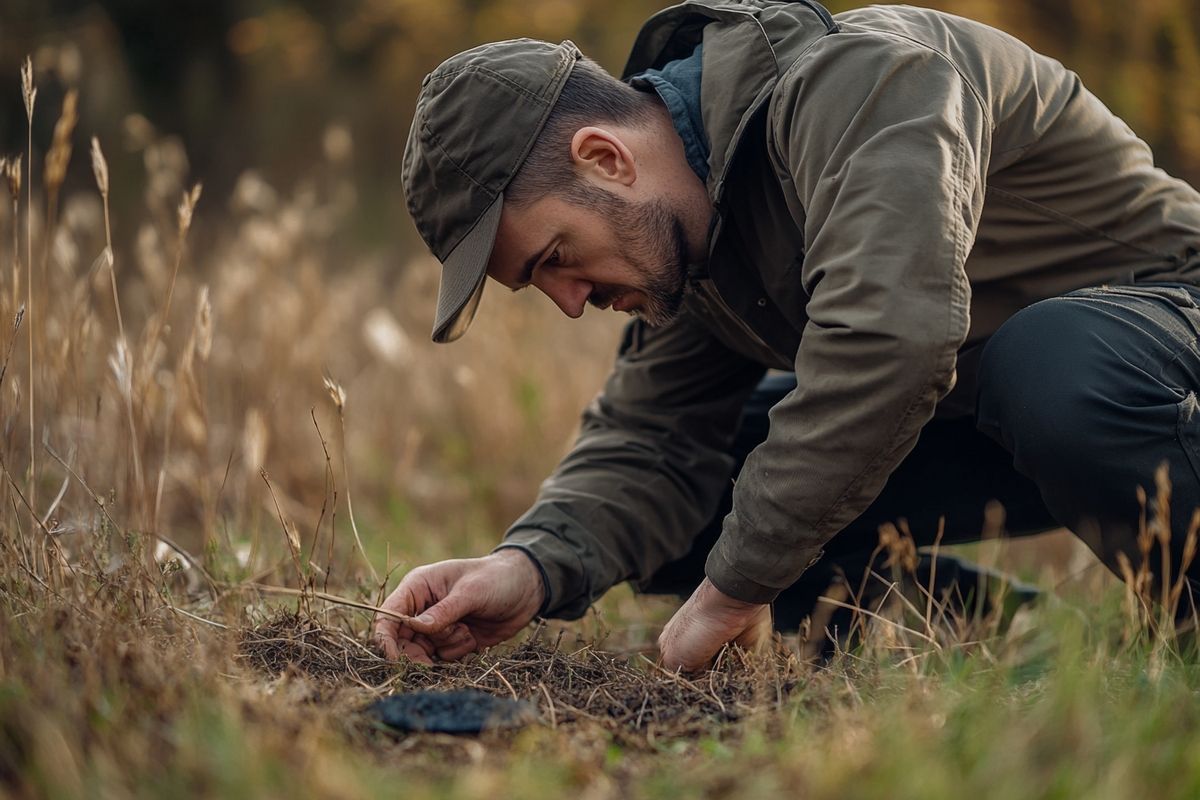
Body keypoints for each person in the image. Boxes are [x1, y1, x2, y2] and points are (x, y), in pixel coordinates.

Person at [374, 0, 1200, 671]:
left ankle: (1186, 636)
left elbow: (893, 341)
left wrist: (736, 588)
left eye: (555, 258)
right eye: (538, 284)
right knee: (700, 502)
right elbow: (654, 441)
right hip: (994, 404)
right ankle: (1018, 635)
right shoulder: (685, 240)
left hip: (1161, 347)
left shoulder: (866, 80)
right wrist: (524, 566)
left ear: (605, 159)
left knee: (1050, 362)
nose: (567, 300)